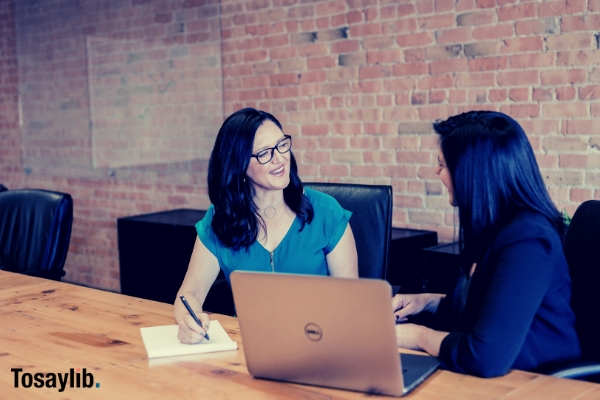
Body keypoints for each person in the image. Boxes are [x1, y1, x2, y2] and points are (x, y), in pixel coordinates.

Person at [392, 111, 581, 377]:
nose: (436, 172)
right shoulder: (494, 227)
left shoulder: (529, 241)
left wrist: (418, 336)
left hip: (540, 382)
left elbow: (484, 357)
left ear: (472, 174)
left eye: (442, 165)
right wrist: (429, 302)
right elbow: (488, 306)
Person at [175, 108, 358, 343]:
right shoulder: (219, 221)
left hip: (319, 343)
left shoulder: (326, 212)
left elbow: (351, 301)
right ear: (238, 165)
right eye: (264, 153)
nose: (280, 158)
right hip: (250, 349)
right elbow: (190, 294)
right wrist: (188, 323)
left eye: (282, 145)